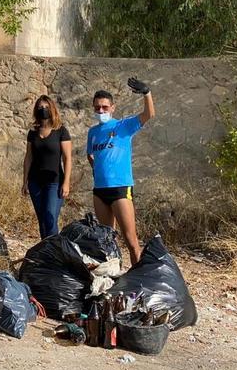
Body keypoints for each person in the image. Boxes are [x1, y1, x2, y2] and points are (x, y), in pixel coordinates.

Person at [86, 77, 155, 266]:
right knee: (107, 241)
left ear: (112, 108)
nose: (101, 111)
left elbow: (148, 114)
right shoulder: (93, 132)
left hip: (120, 189)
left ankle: (138, 279)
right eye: (97, 107)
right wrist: (97, 170)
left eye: (105, 107)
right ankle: (114, 277)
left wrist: (146, 93)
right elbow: (90, 155)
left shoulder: (123, 126)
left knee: (131, 240)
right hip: (100, 191)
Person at [22, 95, 72, 239]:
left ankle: (55, 252)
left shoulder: (61, 131)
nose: (43, 110)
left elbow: (67, 158)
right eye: (40, 108)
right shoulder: (33, 132)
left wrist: (66, 183)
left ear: (52, 109)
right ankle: (46, 253)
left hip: (54, 181)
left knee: (50, 219)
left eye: (46, 107)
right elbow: (28, 157)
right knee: (42, 221)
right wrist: (24, 181)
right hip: (35, 181)